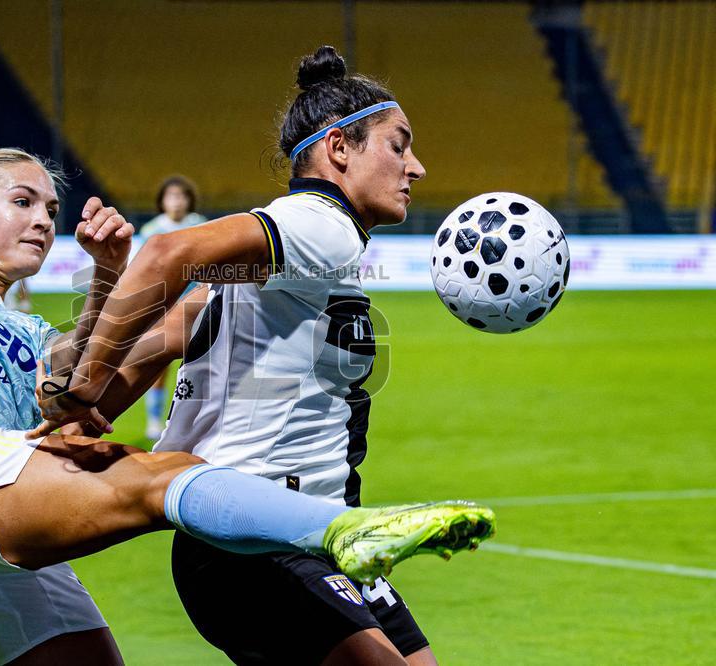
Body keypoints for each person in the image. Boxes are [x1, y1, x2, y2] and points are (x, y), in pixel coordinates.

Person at [0, 147, 493, 665]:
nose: (43, 219)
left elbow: (71, 390)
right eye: (23, 201)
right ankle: (337, 530)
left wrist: (109, 275)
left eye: (51, 207)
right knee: (160, 472)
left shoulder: (30, 334)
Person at [34, 46, 475, 665]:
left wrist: (89, 401)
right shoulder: (322, 224)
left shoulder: (291, 256)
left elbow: (171, 335)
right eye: (398, 146)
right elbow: (165, 257)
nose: (416, 167)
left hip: (309, 533)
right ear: (339, 150)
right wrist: (87, 381)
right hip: (258, 541)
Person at [139, 175, 207, 439]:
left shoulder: (200, 225)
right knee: (159, 364)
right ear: (162, 201)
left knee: (199, 363)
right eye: (171, 196)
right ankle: (154, 420)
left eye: (181, 196)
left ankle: (192, 419)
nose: (176, 202)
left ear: (189, 200)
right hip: (164, 306)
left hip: (196, 304)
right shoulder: (151, 231)